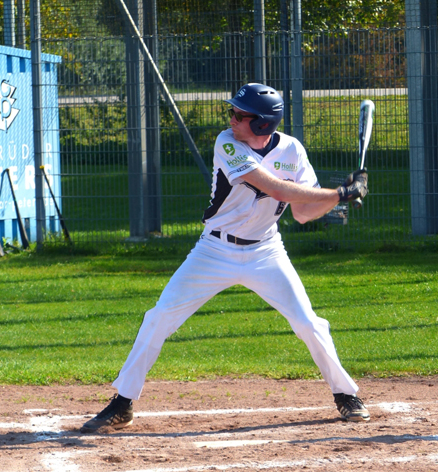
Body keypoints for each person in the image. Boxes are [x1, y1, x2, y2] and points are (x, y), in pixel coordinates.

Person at [81, 83, 371, 432]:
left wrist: (342, 196)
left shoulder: (292, 150)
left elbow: (304, 212)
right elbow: (275, 188)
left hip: (266, 250)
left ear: (263, 124)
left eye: (239, 114)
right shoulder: (227, 143)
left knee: (308, 323)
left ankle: (345, 394)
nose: (231, 119)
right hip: (214, 251)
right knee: (159, 317)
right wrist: (341, 192)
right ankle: (123, 402)